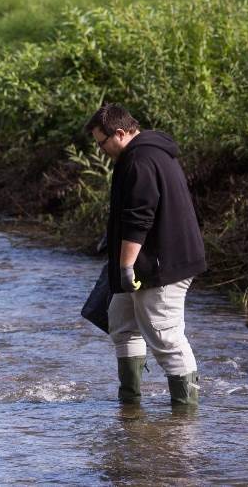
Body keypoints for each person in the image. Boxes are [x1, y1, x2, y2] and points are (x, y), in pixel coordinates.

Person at [86, 103, 206, 407]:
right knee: (121, 321)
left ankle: (185, 418)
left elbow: (139, 218)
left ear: (121, 133)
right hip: (150, 261)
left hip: (161, 265)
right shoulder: (146, 153)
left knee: (166, 338)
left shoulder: (140, 160)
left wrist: (125, 266)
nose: (101, 150)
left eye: (102, 143)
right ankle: (130, 403)